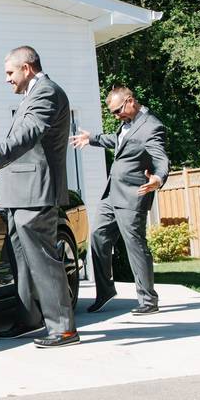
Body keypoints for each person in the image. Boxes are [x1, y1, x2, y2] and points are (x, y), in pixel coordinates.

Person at [0, 46, 78, 348]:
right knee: (22, 261)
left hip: (36, 193)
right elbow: (29, 147)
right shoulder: (30, 97)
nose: (7, 79)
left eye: (10, 73)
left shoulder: (46, 92)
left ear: (27, 68)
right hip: (18, 191)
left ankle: (64, 328)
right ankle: (29, 318)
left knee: (43, 261)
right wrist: (2, 169)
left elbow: (31, 132)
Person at [70, 86, 169, 315]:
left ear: (130, 101)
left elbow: (160, 157)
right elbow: (119, 141)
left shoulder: (152, 126)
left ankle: (148, 300)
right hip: (111, 194)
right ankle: (105, 291)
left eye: (117, 111)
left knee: (135, 244)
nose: (116, 116)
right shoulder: (127, 123)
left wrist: (158, 178)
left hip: (133, 196)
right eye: (113, 113)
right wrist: (92, 138)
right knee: (98, 237)